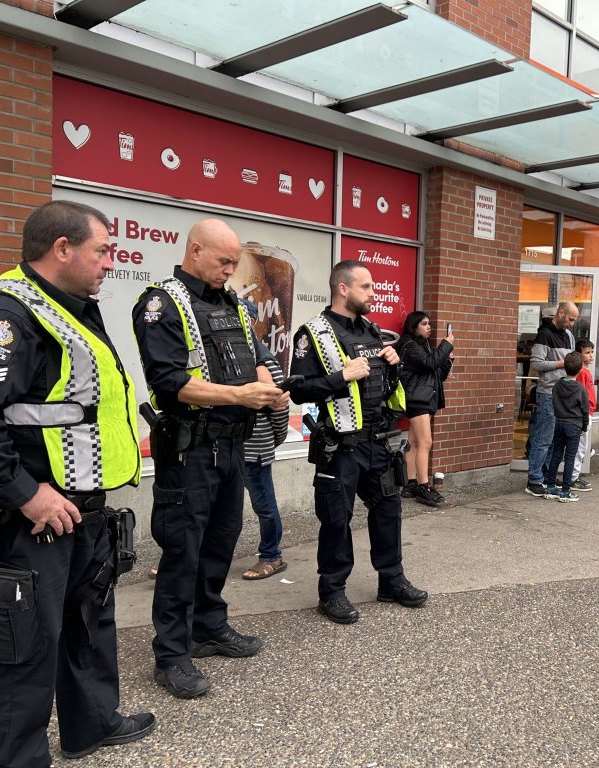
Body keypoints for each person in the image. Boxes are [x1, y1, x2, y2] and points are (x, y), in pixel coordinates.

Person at [0, 200, 154, 765]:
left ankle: (92, 724)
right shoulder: (2, 315)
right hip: (24, 519)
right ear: (62, 248)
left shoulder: (73, 307)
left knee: (88, 624)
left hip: (82, 510)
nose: (111, 261)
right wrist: (27, 493)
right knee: (22, 652)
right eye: (102, 250)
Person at [133, 219, 289, 699]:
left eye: (234, 262)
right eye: (223, 261)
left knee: (221, 540)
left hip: (232, 445)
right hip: (190, 448)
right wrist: (241, 396)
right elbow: (169, 381)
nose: (229, 269)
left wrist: (269, 388)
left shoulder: (233, 304)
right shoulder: (161, 303)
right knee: (183, 550)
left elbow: (258, 355)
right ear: (194, 251)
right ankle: (172, 654)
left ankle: (209, 627)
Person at [289, 259, 427, 624]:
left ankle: (391, 581)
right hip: (340, 447)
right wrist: (341, 376)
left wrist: (395, 363)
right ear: (343, 289)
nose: (373, 292)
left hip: (379, 442)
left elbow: (382, 385)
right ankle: (332, 592)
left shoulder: (371, 330)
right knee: (336, 519)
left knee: (388, 512)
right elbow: (298, 391)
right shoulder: (312, 333)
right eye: (366, 287)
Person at [241, 341, 291, 580]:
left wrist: (270, 442)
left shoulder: (264, 360)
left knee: (264, 506)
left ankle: (271, 556)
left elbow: (280, 409)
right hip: (224, 446)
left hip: (253, 447)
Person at [397, 310, 454, 507]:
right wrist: (446, 346)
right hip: (417, 399)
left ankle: (411, 483)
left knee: (414, 441)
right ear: (413, 326)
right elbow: (430, 363)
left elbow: (437, 372)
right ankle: (423, 486)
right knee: (426, 442)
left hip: (424, 398)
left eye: (429, 323)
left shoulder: (424, 346)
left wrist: (447, 359)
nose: (428, 327)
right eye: (424, 323)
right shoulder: (409, 345)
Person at [525, 301, 579, 497]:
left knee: (554, 440)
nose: (572, 323)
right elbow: (536, 364)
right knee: (543, 438)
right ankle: (534, 479)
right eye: (570, 319)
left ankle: (547, 476)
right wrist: (561, 363)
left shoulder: (569, 336)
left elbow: (570, 362)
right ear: (561, 313)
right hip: (548, 392)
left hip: (563, 392)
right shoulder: (544, 334)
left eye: (574, 320)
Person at [542, 352, 590, 502]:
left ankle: (550, 487)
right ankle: (565, 492)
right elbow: (585, 410)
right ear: (580, 369)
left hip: (559, 422)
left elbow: (554, 402)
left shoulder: (557, 385)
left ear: (565, 367)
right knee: (570, 458)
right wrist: (584, 426)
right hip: (574, 425)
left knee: (556, 454)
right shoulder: (580, 389)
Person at [569, 338, 596, 492]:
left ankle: (574, 476)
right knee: (579, 448)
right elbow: (582, 395)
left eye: (592, 352)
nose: (591, 355)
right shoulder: (582, 373)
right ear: (579, 355)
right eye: (587, 353)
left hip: (587, 413)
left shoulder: (585, 371)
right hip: (583, 415)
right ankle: (573, 478)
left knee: (582, 447)